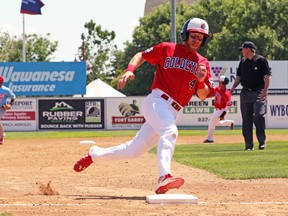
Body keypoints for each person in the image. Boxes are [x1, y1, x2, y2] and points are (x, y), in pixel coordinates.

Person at [73, 18, 214, 194]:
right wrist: (130, 70)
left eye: (200, 38)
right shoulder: (167, 48)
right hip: (157, 101)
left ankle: (94, 154)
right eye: (193, 36)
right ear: (185, 34)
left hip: (174, 110)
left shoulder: (202, 62)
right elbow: (141, 55)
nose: (196, 41)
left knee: (133, 150)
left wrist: (201, 81)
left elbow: (202, 95)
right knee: (170, 132)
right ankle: (164, 177)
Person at [230, 41, 271, 150]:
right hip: (245, 92)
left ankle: (262, 141)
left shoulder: (261, 60)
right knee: (246, 118)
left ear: (248, 49)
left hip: (258, 91)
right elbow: (239, 77)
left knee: (258, 115)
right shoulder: (242, 62)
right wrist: (233, 87)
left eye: (243, 49)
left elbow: (267, 76)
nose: (242, 51)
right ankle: (248, 145)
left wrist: (265, 91)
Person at [203, 75, 235, 143]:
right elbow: (212, 90)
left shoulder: (227, 94)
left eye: (220, 82)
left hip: (222, 110)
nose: (219, 83)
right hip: (217, 109)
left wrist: (223, 114)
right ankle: (230, 122)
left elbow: (229, 105)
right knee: (216, 123)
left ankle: (210, 139)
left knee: (211, 123)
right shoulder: (217, 89)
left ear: (223, 83)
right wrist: (210, 84)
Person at [0, 76, 16, 145]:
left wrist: (10, 104)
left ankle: (2, 136)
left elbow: (13, 97)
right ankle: (2, 135)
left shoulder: (5, 90)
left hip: (2, 108)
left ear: (2, 82)